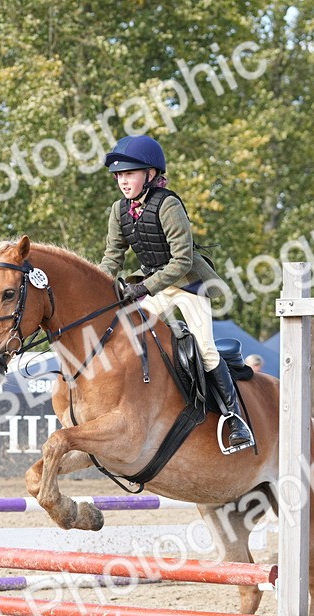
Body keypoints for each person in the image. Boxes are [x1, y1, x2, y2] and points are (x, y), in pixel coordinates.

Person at [97, 134, 252, 451]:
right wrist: (97, 287)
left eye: (130, 174)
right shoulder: (119, 211)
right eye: (119, 176)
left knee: (205, 348)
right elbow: (113, 257)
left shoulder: (167, 204)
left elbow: (181, 261)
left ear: (150, 175)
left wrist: (143, 287)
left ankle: (235, 419)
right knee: (136, 336)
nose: (123, 182)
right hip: (154, 283)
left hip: (188, 285)